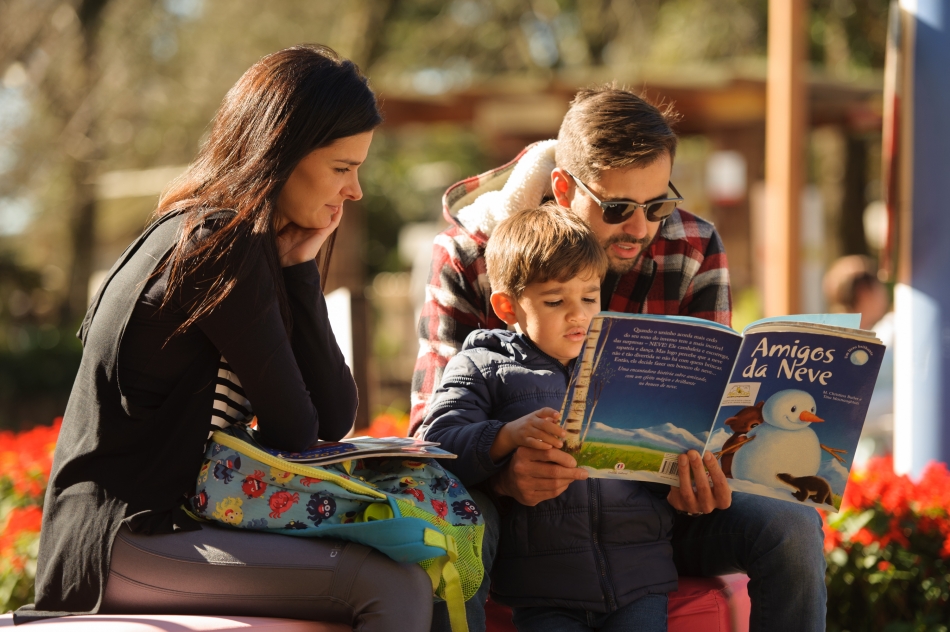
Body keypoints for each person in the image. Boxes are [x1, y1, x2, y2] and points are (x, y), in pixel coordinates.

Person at [18, 45, 433, 631]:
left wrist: (300, 273)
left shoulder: (232, 240)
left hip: (170, 528)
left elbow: (333, 416)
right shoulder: (217, 244)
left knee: (412, 563)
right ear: (283, 153)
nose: (355, 191)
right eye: (343, 168)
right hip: (121, 537)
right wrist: (294, 274)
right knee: (391, 585)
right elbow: (296, 430)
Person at [411, 86, 827, 632]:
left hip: (654, 516)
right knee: (457, 520)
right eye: (617, 208)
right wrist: (507, 474)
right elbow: (431, 440)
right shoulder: (471, 255)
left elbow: (715, 410)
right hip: (525, 525)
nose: (641, 228)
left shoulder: (694, 246)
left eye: (658, 204)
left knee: (792, 524)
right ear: (562, 188)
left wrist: (709, 469)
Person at [423, 204, 673, 631]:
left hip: (639, 578)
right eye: (556, 300)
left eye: (590, 297)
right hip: (544, 589)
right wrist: (505, 437)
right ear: (507, 306)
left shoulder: (626, 363)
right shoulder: (483, 364)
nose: (578, 315)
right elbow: (438, 442)